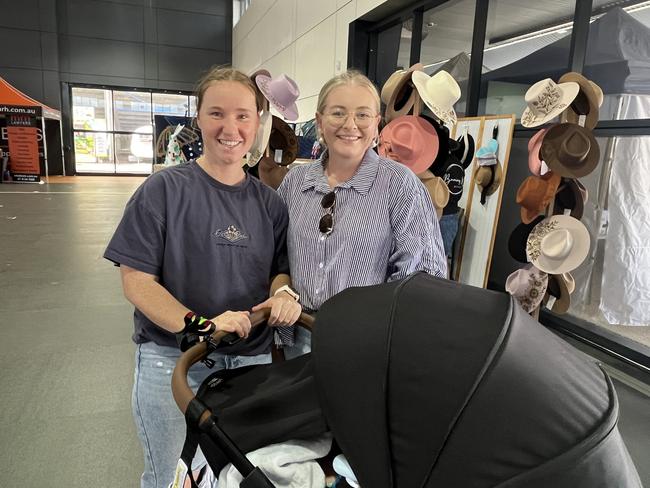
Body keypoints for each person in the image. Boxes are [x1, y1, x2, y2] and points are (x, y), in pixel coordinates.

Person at [103, 66, 302, 488]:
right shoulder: (163, 191)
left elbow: (278, 270)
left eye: (243, 116)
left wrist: (282, 293)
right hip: (173, 362)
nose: (231, 128)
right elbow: (136, 281)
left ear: (258, 121)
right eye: (217, 114)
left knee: (238, 476)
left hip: (249, 362)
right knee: (171, 477)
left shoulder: (271, 205)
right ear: (198, 118)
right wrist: (203, 327)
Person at [276, 70, 447, 358]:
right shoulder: (295, 182)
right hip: (296, 338)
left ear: (377, 124)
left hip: (362, 343)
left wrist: (375, 327)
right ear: (319, 121)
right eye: (338, 113)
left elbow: (423, 275)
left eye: (363, 115)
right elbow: (276, 256)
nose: (350, 125)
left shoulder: (399, 184)